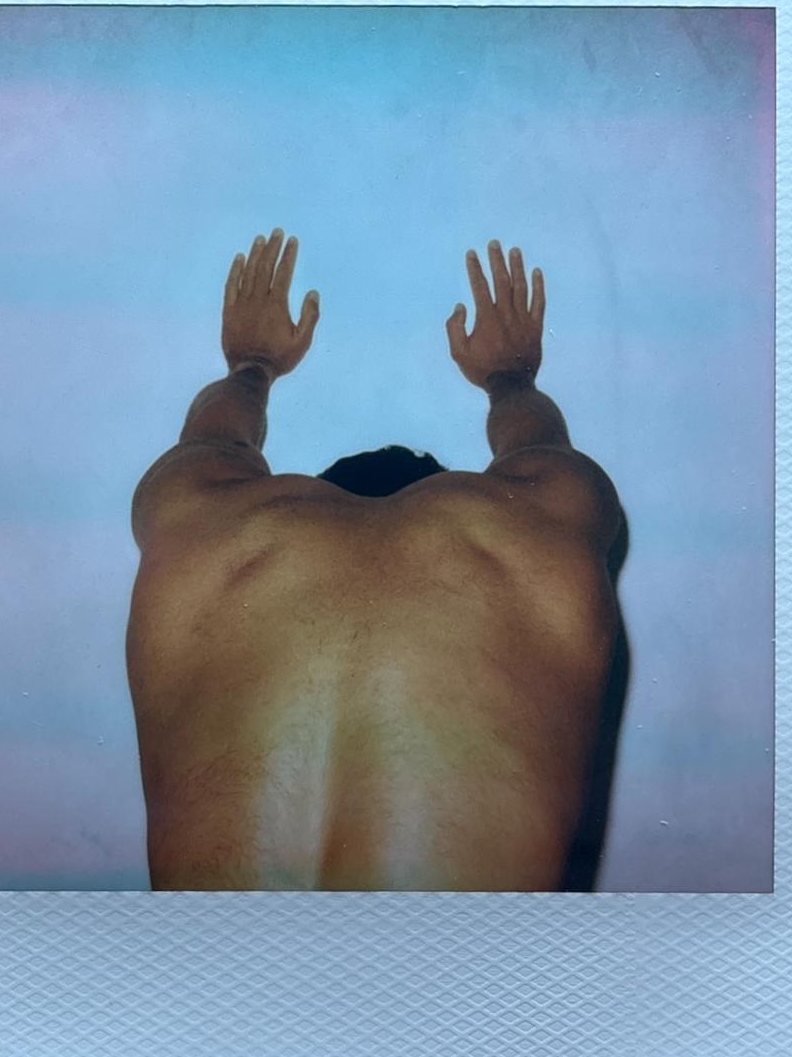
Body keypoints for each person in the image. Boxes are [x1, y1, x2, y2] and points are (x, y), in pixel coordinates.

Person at [126, 229, 622, 890]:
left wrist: (251, 366)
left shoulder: (199, 532)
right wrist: (509, 378)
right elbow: (538, 448)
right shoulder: (536, 536)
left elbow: (215, 440)